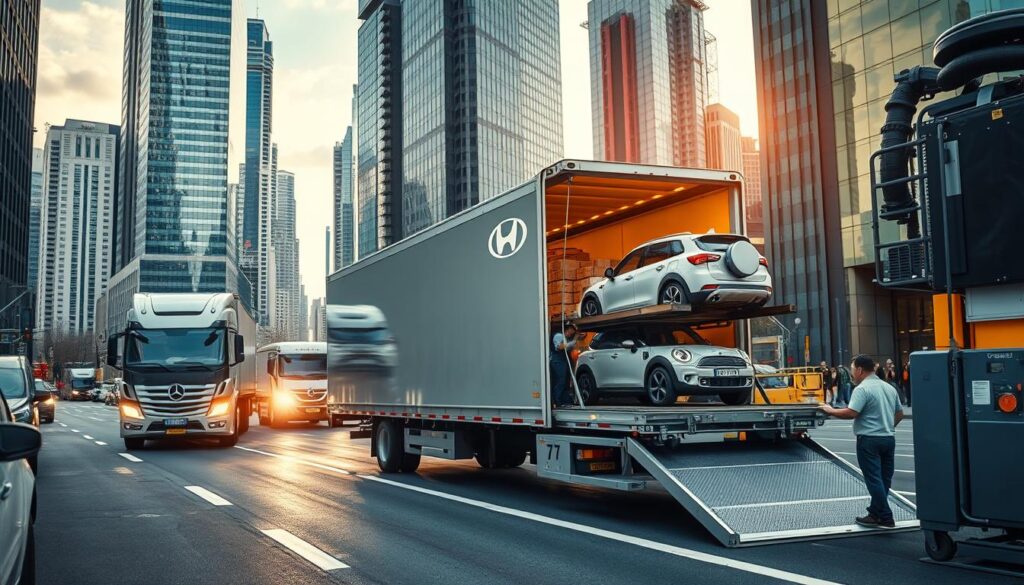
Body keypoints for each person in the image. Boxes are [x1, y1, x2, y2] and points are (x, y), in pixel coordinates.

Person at [820, 354, 904, 528]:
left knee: (873, 479)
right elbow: (900, 413)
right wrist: (887, 426)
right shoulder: (888, 387)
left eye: (852, 370)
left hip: (869, 440)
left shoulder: (862, 389)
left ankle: (886, 516)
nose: (852, 375)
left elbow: (852, 412)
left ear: (859, 370)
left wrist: (830, 410)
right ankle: (875, 513)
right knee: (884, 478)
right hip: (888, 438)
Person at [550, 324, 581, 407]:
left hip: (562, 361)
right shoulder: (559, 335)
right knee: (560, 381)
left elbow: (567, 347)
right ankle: (558, 401)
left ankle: (564, 400)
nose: (571, 334)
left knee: (565, 381)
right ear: (568, 329)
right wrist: (573, 342)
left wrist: (574, 340)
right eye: (572, 332)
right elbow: (560, 347)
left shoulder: (565, 338)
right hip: (558, 361)